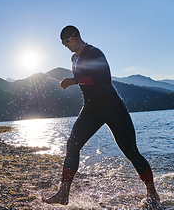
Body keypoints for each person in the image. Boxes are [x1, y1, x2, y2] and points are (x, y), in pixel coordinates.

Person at [42, 25, 160, 206]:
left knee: (131, 152)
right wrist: (75, 81)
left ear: (76, 36)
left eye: (67, 41)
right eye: (62, 43)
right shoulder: (74, 58)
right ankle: (63, 194)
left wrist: (74, 80)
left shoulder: (94, 53)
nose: (65, 45)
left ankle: (152, 193)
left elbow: (104, 78)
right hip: (91, 109)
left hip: (112, 108)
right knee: (72, 145)